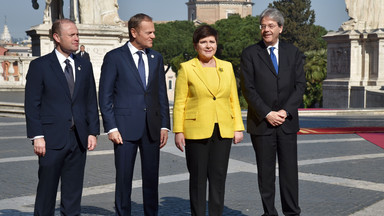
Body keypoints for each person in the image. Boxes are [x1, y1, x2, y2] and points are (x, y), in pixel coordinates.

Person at [24, 18, 100, 215]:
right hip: (50, 139)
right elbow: (32, 104)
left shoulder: (85, 65)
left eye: (77, 34)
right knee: (47, 192)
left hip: (79, 138)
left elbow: (90, 100)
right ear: (57, 37)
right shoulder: (40, 66)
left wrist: (93, 131)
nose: (77, 38)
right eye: (72, 35)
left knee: (73, 193)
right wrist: (37, 136)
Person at [98, 13, 170, 216]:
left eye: (153, 31)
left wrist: (164, 125)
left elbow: (161, 94)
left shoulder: (156, 58)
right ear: (133, 32)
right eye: (149, 32)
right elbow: (105, 96)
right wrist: (111, 127)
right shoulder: (114, 57)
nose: (153, 36)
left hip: (152, 128)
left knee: (151, 180)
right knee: (123, 180)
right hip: (123, 130)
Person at [240, 8, 306, 216]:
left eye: (270, 26)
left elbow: (300, 85)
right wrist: (267, 113)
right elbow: (247, 89)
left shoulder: (293, 52)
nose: (266, 30)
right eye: (263, 26)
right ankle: (269, 213)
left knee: (289, 172)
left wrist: (285, 111)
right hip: (262, 123)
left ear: (280, 28)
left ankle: (292, 212)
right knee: (265, 173)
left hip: (287, 123)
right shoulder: (250, 53)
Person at [173, 25, 244, 216]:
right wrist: (178, 131)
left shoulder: (226, 67)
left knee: (218, 178)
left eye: (211, 41)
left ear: (216, 44)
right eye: (203, 42)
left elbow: (233, 99)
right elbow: (180, 102)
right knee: (197, 178)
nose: (208, 45)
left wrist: (238, 127)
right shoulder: (186, 68)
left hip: (223, 128)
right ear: (196, 45)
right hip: (195, 129)